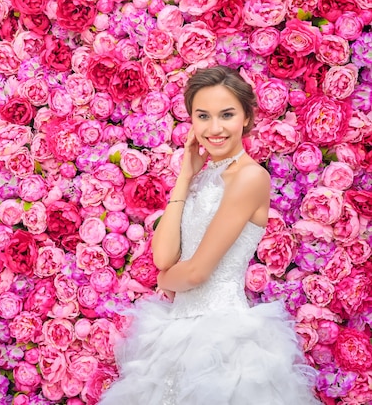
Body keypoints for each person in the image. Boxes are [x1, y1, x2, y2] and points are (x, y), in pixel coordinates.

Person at [99, 66, 321, 405]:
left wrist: (164, 279)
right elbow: (163, 256)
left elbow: (197, 271)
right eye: (203, 116)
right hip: (178, 331)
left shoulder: (250, 177)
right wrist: (185, 177)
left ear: (246, 118)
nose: (214, 128)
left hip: (222, 336)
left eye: (227, 115)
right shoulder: (205, 176)